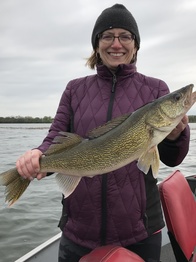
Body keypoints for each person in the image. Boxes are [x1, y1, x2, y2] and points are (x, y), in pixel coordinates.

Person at [16, 4, 190, 262]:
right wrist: (40, 156)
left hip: (140, 231)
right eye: (107, 36)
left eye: (125, 36)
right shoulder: (75, 89)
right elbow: (56, 135)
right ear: (97, 45)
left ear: (136, 45)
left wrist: (176, 136)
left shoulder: (155, 89)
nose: (116, 44)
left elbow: (172, 160)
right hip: (79, 231)